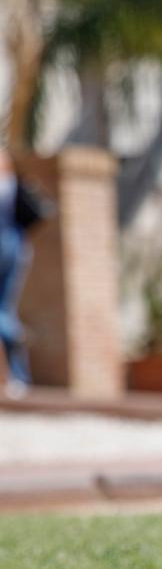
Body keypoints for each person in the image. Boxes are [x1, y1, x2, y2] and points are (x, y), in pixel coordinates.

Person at [0, 148, 33, 398]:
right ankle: (18, 376)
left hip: (6, 250)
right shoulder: (12, 184)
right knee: (6, 310)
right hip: (18, 249)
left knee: (3, 314)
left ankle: (18, 374)